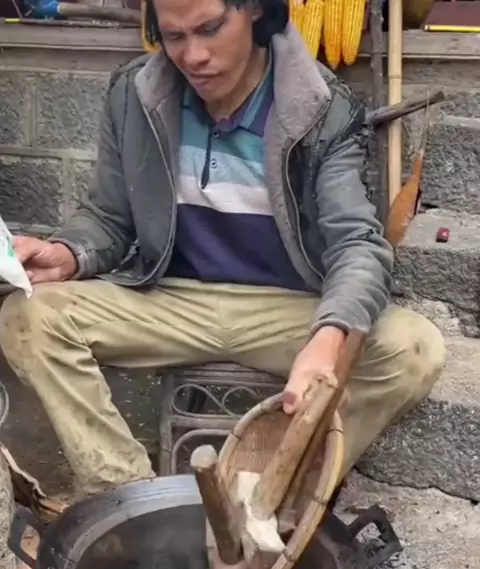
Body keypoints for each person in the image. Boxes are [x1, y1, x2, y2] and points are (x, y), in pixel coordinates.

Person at [0, 0, 444, 505]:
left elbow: (356, 243)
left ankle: (270, 497)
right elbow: (108, 217)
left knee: (413, 348)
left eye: (210, 29)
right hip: (170, 301)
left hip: (286, 309)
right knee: (27, 316)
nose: (193, 55)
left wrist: (329, 337)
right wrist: (68, 253)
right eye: (174, 36)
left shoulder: (320, 107)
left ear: (254, 10)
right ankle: (131, 501)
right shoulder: (135, 94)